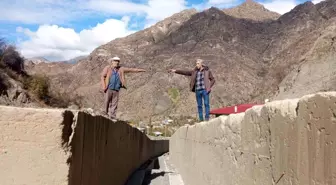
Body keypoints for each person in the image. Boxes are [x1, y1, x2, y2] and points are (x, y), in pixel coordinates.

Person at [100, 56, 146, 120]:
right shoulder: (107, 68)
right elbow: (102, 76)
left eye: (118, 61)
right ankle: (104, 113)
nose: (116, 62)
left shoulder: (121, 69)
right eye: (115, 61)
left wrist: (141, 70)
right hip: (109, 88)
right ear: (112, 62)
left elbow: (131, 70)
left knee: (114, 103)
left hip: (116, 88)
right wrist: (104, 86)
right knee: (107, 101)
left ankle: (112, 116)